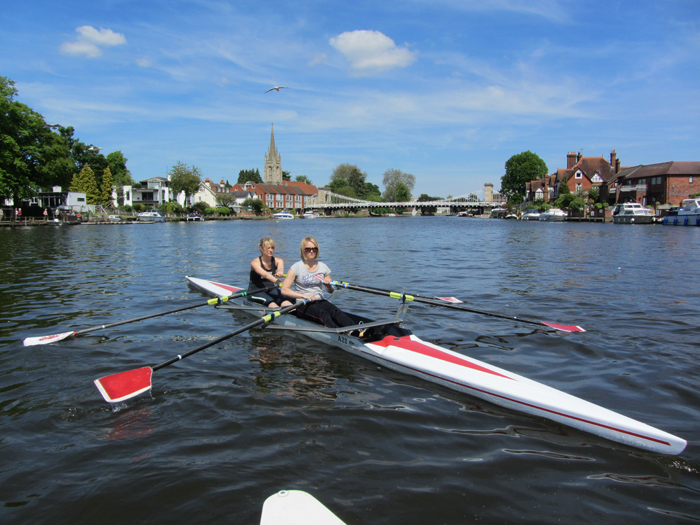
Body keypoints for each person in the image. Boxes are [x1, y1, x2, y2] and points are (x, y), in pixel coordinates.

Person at [281, 236, 355, 328]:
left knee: (336, 312)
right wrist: (305, 296)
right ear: (303, 250)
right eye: (308, 249)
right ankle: (340, 334)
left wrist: (328, 285)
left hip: (320, 301)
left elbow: (330, 291)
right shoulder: (296, 267)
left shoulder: (323, 267)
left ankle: (358, 331)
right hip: (303, 303)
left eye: (314, 249)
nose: (311, 251)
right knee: (322, 314)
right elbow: (284, 290)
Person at [248, 237, 293, 308]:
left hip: (271, 289)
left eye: (272, 248)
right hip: (255, 291)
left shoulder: (278, 260)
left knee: (285, 301)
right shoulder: (255, 263)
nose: (271, 250)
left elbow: (280, 268)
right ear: (261, 248)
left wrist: (280, 272)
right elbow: (265, 275)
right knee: (271, 303)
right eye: (268, 248)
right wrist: (278, 282)